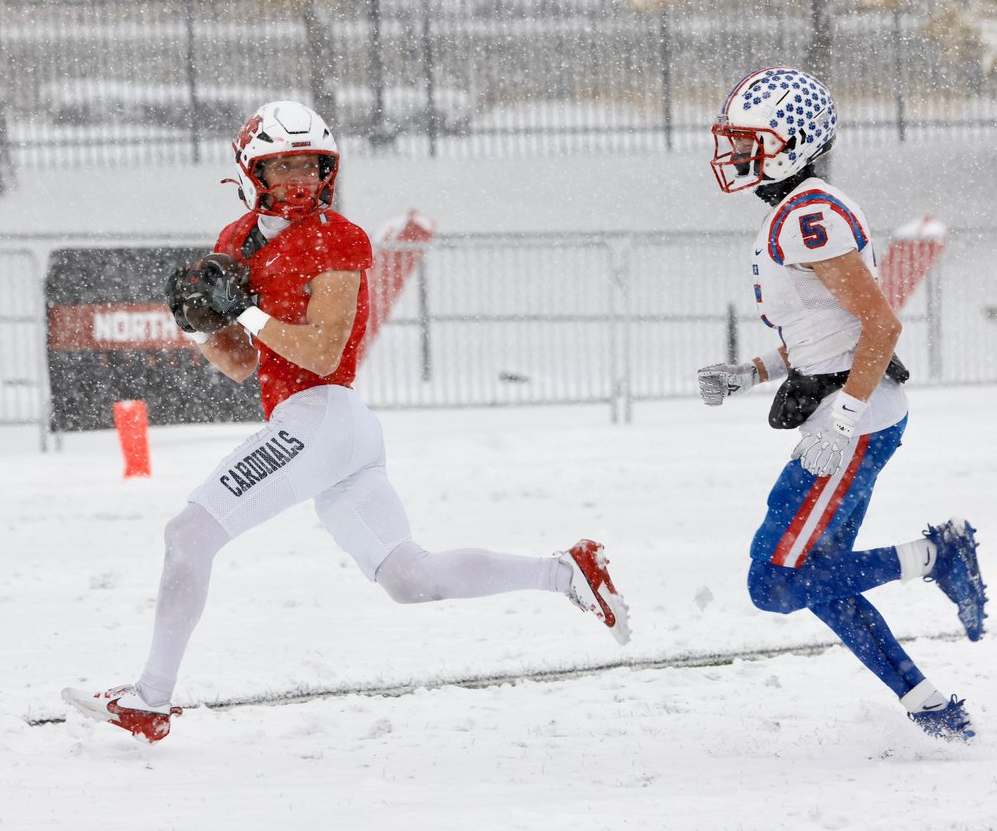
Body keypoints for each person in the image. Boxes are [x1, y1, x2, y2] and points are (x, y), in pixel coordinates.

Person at [63, 100, 630, 742]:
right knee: (408, 578)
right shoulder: (234, 241)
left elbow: (326, 350)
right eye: (282, 167)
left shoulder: (337, 235)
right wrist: (198, 327)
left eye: (311, 165)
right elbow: (243, 366)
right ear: (252, 172)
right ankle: (566, 571)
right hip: (326, 430)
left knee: (189, 534)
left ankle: (151, 698)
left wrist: (244, 312)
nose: (298, 180)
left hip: (324, 413)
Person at [699, 67, 987, 741]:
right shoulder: (799, 210)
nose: (736, 154)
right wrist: (752, 369)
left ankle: (936, 555)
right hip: (852, 409)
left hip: (856, 417)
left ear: (794, 142)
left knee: (774, 579)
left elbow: (882, 327)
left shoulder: (808, 217)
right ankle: (926, 700)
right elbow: (826, 337)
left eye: (750, 141)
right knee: (817, 572)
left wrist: (845, 422)